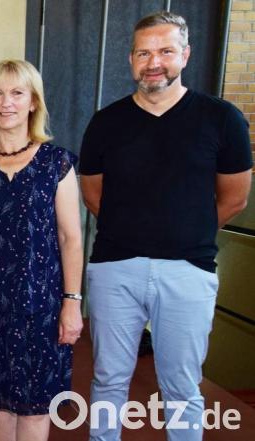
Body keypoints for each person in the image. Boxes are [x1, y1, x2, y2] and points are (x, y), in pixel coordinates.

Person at [79, 11, 252, 441]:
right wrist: (135, 229)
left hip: (188, 271)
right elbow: (93, 194)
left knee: (181, 387)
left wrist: (186, 229)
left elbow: (235, 197)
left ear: (185, 55)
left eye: (166, 51)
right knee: (108, 381)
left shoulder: (222, 119)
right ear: (131, 59)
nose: (154, 61)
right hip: (115, 270)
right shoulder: (106, 122)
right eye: (144, 52)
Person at [0, 59, 83, 441]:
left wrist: (71, 301)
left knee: (36, 403)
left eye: (16, 92)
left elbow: (70, 237)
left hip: (40, 304)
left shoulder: (56, 163)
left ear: (32, 103)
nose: (6, 102)